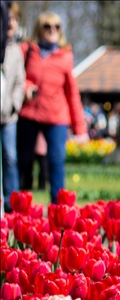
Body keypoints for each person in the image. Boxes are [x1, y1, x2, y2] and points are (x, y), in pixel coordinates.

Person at [17, 11, 86, 204]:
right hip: (29, 113)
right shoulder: (27, 50)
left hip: (56, 116)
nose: (52, 30)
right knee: (24, 160)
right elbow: (14, 76)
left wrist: (80, 128)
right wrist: (25, 87)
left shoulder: (65, 56)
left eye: (56, 26)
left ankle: (58, 207)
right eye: (47, 26)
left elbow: (72, 93)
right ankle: (19, 206)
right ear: (39, 28)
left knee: (56, 161)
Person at [1, 1, 23, 213]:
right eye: (6, 18)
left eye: (14, 19)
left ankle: (11, 202)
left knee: (10, 156)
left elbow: (19, 82)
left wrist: (14, 105)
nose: (10, 23)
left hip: (9, 116)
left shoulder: (17, 51)